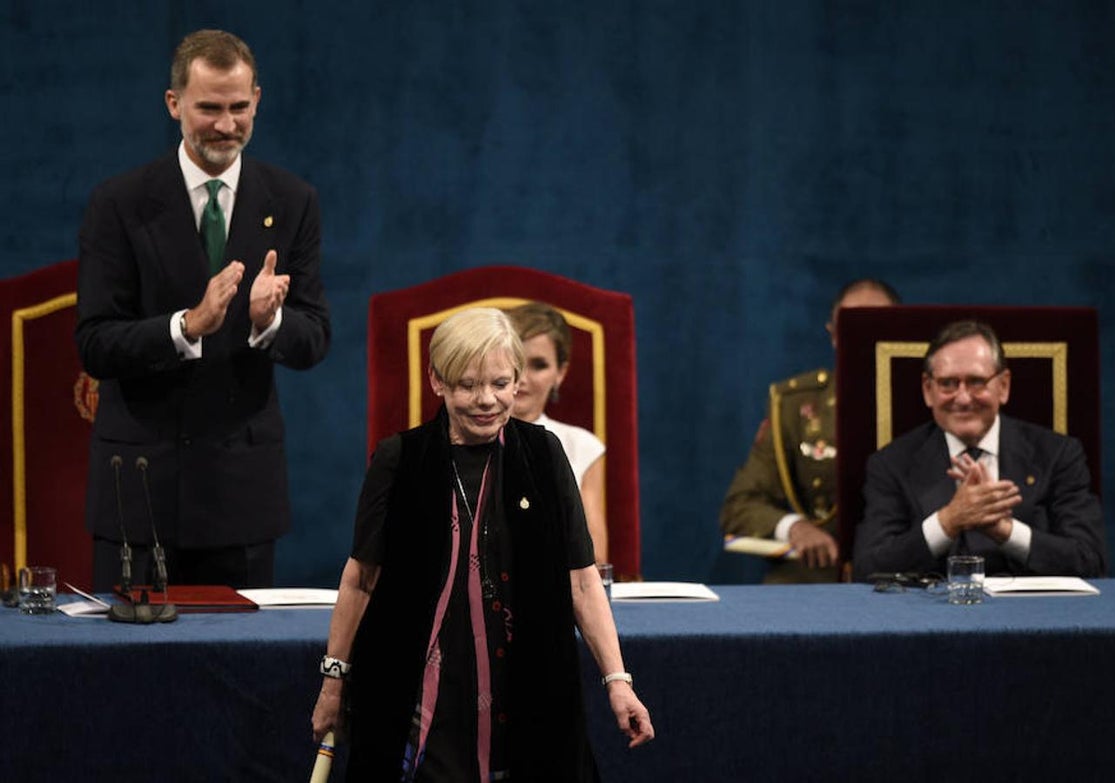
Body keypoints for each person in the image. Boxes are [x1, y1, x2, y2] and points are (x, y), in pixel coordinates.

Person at [310, 308, 653, 781]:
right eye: (468, 385)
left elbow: (581, 581)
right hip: (417, 698)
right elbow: (361, 580)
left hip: (527, 692)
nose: (486, 400)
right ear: (438, 381)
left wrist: (618, 682)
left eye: (499, 383)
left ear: (516, 383)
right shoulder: (399, 458)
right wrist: (333, 684)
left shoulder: (545, 455)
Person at [74, 29, 331, 591]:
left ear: (257, 100)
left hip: (241, 495)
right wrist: (186, 326)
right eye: (208, 108)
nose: (225, 124)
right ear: (174, 105)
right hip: (141, 493)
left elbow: (315, 337)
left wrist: (271, 322)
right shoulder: (118, 203)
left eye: (239, 107)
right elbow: (94, 342)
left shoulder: (291, 201)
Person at [852, 320, 1105, 579]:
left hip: (1031, 613)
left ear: (1003, 386)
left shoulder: (1057, 454)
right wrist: (948, 521)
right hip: (934, 614)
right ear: (928, 390)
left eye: (976, 382)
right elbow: (868, 568)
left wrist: (1006, 531)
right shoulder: (891, 463)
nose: (962, 398)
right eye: (948, 383)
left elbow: (1091, 561)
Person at [720, 279, 899, 583]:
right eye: (852, 325)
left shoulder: (933, 401)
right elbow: (740, 504)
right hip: (815, 579)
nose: (864, 335)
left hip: (904, 580)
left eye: (877, 324)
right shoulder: (795, 407)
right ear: (832, 335)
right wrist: (793, 526)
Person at [504, 301, 608, 563]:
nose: (523, 378)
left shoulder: (582, 445)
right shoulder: (459, 436)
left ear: (560, 373)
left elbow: (594, 555)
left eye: (538, 365)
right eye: (514, 362)